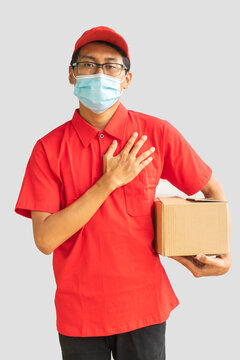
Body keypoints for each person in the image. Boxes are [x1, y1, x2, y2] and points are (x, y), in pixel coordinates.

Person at [14, 26, 231, 360]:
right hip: (79, 314)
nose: (100, 73)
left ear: (127, 79)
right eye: (88, 64)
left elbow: (213, 190)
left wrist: (220, 252)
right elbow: (44, 240)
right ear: (72, 75)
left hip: (143, 307)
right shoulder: (48, 149)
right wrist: (108, 183)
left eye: (111, 65)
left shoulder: (156, 133)